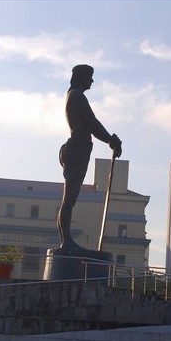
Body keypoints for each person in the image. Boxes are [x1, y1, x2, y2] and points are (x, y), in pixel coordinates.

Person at [57, 64, 122, 251]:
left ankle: (66, 240)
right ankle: (66, 242)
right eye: (89, 76)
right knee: (69, 199)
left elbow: (92, 125)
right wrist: (110, 140)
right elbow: (92, 124)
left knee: (70, 198)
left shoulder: (74, 95)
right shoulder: (77, 96)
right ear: (80, 77)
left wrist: (110, 139)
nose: (92, 80)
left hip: (80, 149)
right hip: (77, 149)